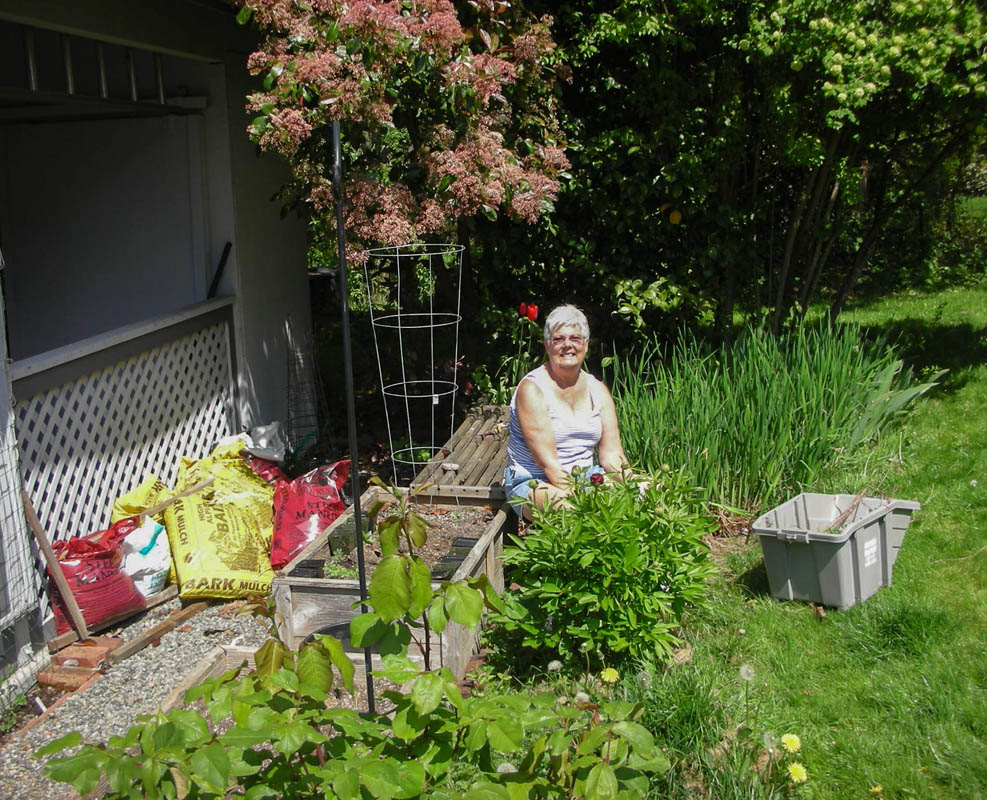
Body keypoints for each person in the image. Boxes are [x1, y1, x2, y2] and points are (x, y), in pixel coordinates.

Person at [503, 304, 629, 519]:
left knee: (629, 504)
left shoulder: (598, 390)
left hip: (586, 477)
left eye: (575, 339)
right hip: (534, 481)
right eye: (558, 339)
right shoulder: (532, 389)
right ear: (547, 346)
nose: (567, 345)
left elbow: (612, 456)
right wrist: (586, 501)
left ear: (586, 345)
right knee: (576, 514)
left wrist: (634, 486)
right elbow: (548, 464)